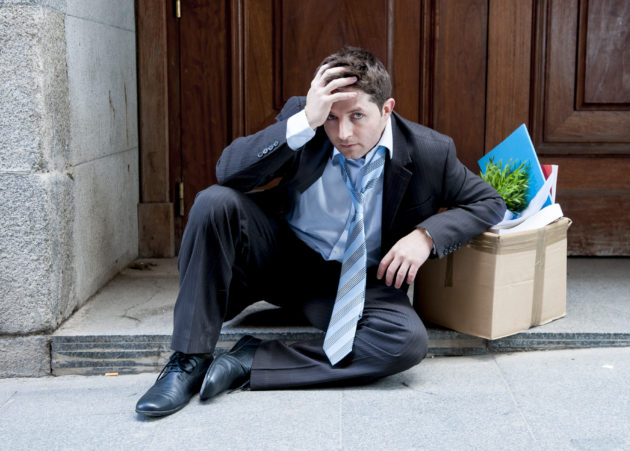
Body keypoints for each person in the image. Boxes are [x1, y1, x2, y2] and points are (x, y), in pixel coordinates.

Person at [135, 46, 506, 417]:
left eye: (357, 116)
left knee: (405, 342)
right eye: (333, 118)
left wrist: (425, 236)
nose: (343, 133)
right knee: (214, 201)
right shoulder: (307, 121)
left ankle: (251, 360)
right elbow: (229, 172)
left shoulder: (429, 151)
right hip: (280, 257)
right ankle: (189, 359)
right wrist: (305, 122)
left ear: (387, 109)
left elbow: (488, 202)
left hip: (357, 278)